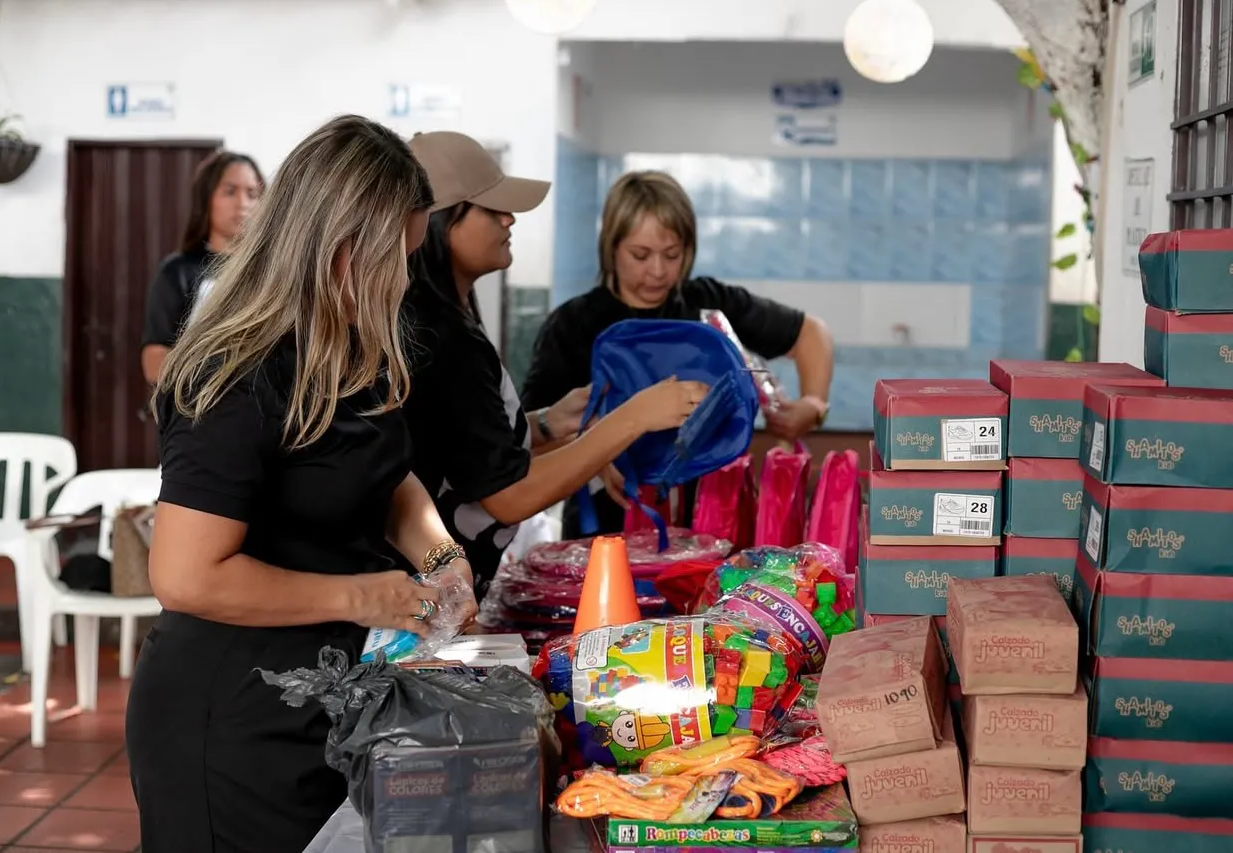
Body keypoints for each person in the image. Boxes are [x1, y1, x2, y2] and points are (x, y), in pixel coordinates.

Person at [126, 116, 476, 853]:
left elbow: (383, 475)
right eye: (398, 258)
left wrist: (442, 556)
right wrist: (366, 593)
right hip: (231, 716)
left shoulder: (353, 346)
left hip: (323, 698)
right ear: (341, 250)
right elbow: (185, 574)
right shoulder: (232, 373)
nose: (408, 279)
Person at [401, 131, 708, 589]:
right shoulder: (440, 336)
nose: (509, 218)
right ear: (441, 221)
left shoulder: (447, 320)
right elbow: (508, 494)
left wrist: (545, 424)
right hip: (421, 597)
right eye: (491, 208)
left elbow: (466, 451)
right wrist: (635, 416)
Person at [521, 170, 835, 539]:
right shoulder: (574, 325)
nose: (657, 271)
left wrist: (813, 404)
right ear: (611, 247)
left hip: (712, 527)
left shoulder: (709, 304)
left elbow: (812, 334)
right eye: (640, 255)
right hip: (604, 537)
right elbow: (531, 445)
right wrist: (593, 454)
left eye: (672, 255)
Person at [140, 150, 266, 384]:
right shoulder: (177, 271)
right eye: (230, 191)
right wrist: (211, 378)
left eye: (253, 194)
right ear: (206, 199)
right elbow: (153, 361)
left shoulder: (272, 273)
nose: (243, 204)